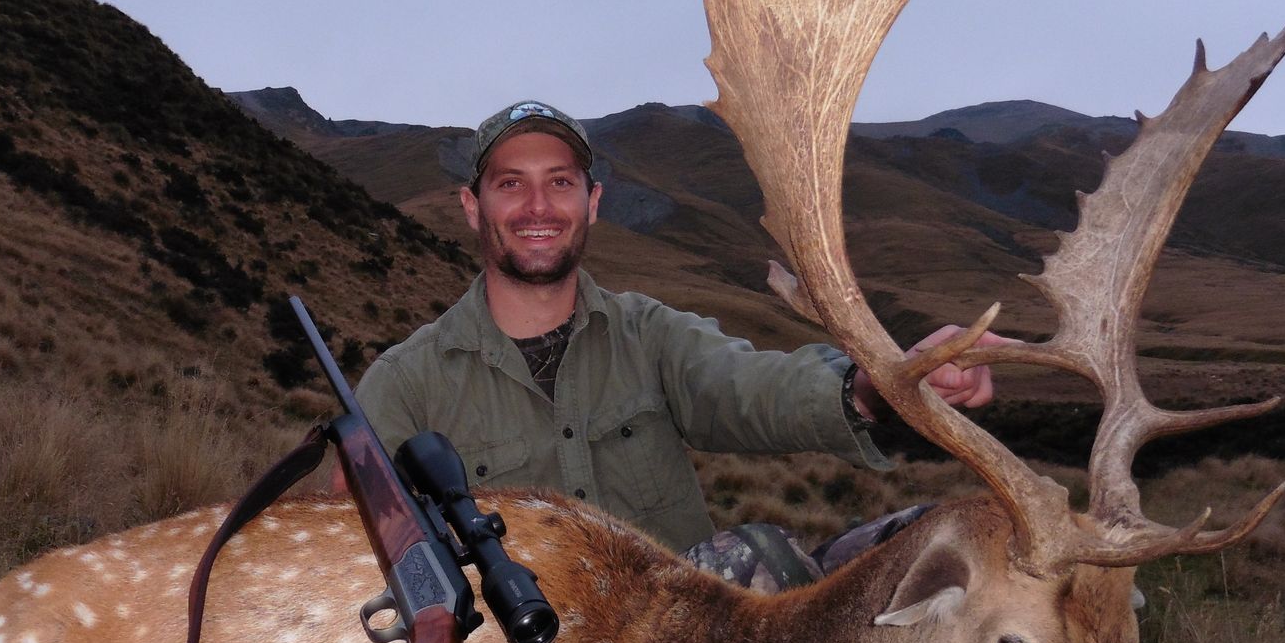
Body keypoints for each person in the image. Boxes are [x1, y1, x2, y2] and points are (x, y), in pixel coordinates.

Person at [352, 100, 1000, 583]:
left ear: (593, 201)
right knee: (758, 558)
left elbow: (750, 389)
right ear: (473, 207)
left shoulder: (650, 335)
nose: (538, 206)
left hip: (684, 635)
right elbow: (351, 557)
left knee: (950, 536)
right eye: (510, 183)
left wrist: (876, 382)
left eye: (560, 181)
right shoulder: (405, 385)